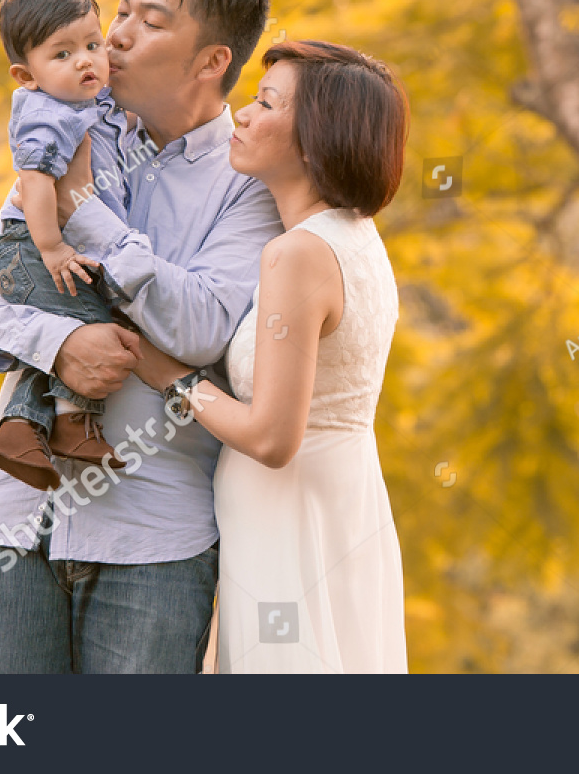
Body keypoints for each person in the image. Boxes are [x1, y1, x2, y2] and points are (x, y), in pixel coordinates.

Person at [0, 0, 282, 673]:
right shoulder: (67, 129)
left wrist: (83, 210)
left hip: (152, 542)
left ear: (212, 61)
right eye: (121, 11)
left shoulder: (252, 186)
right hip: (12, 522)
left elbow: (197, 327)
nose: (116, 37)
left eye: (150, 22)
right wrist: (58, 346)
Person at [133, 40, 410, 673]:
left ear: (316, 138)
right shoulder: (360, 242)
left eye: (265, 102)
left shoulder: (299, 255)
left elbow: (272, 438)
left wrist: (167, 375)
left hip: (289, 519)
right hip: (341, 504)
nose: (244, 115)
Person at [0, 0, 133, 490]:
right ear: (26, 75)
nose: (86, 61)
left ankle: (24, 431)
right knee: (86, 317)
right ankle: (70, 423)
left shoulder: (77, 99)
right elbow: (37, 185)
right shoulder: (46, 116)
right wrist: (52, 247)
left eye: (93, 45)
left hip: (40, 245)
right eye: (63, 54)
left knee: (77, 316)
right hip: (30, 247)